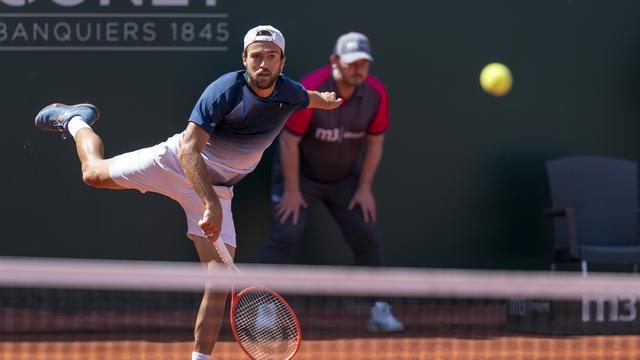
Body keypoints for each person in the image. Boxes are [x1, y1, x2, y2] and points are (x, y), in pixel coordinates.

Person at [34, 25, 342, 360]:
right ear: (245, 59)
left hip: (219, 190)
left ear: (282, 62)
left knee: (218, 281)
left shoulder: (291, 92)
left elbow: (307, 99)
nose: (263, 64)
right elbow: (189, 151)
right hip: (176, 163)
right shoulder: (224, 91)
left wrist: (322, 101)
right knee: (92, 174)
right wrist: (209, 203)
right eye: (257, 56)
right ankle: (75, 119)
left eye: (271, 57)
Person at [261, 32, 404, 332]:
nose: (357, 69)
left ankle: (380, 309)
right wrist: (291, 190)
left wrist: (364, 188)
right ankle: (265, 308)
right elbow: (289, 143)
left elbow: (375, 144)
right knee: (286, 233)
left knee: (365, 233)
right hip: (300, 176)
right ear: (335, 62)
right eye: (352, 63)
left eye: (363, 64)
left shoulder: (376, 94)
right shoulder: (311, 88)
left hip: (343, 181)